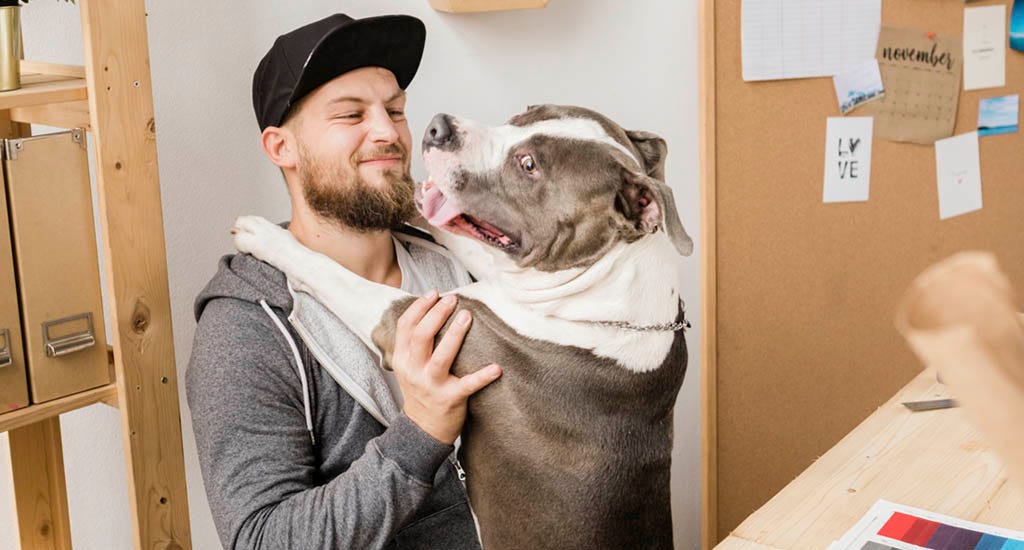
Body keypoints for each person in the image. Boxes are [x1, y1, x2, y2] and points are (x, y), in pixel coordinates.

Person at [186, 13, 500, 549]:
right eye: (351, 114)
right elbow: (263, 540)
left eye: (395, 110)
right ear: (280, 147)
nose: (389, 133)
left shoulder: (462, 264)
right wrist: (420, 432)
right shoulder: (247, 330)